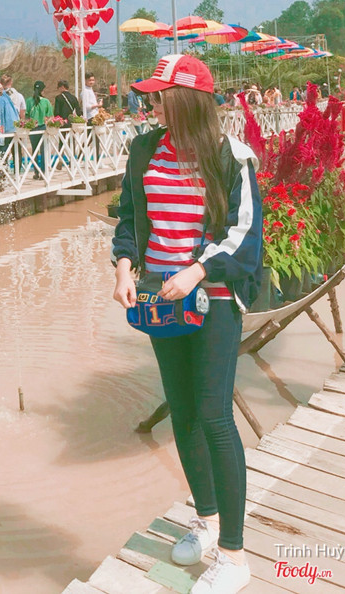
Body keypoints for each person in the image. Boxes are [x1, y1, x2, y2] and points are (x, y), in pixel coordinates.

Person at [112, 55, 262, 594]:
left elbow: (245, 236)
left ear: (185, 101)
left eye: (159, 98)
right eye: (150, 97)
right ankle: (207, 520)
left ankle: (234, 556)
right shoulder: (145, 150)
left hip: (213, 299)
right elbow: (130, 216)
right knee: (183, 413)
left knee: (215, 417)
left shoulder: (231, 156)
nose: (151, 106)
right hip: (161, 299)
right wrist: (125, 267)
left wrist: (198, 270)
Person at [26, 80, 52, 176]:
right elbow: (50, 116)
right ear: (42, 90)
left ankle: (36, 172)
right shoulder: (46, 101)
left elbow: (26, 115)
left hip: (33, 128)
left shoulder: (29, 101)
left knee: (34, 150)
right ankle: (43, 172)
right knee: (43, 150)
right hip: (42, 128)